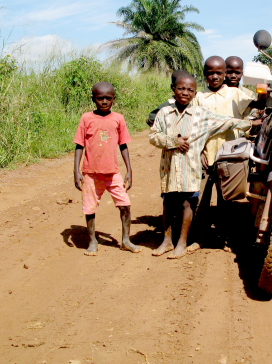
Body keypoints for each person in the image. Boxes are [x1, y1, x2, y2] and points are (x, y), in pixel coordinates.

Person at [149, 74, 260, 258]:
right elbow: (153, 136)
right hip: (169, 169)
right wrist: (172, 141)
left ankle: (182, 244)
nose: (185, 93)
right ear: (173, 89)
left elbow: (227, 122)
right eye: (181, 88)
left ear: (195, 94)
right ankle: (167, 241)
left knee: (187, 204)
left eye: (190, 90)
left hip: (191, 169)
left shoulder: (201, 115)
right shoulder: (164, 113)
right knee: (168, 204)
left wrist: (251, 123)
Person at [73, 82, 141, 256]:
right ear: (93, 99)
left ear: (114, 99)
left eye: (108, 98)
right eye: (100, 98)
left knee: (125, 205)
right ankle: (93, 241)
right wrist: (76, 171)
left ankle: (126, 240)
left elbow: (123, 144)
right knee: (90, 208)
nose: (104, 102)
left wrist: (129, 170)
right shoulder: (86, 118)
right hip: (91, 173)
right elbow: (79, 145)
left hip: (113, 173)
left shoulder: (118, 118)